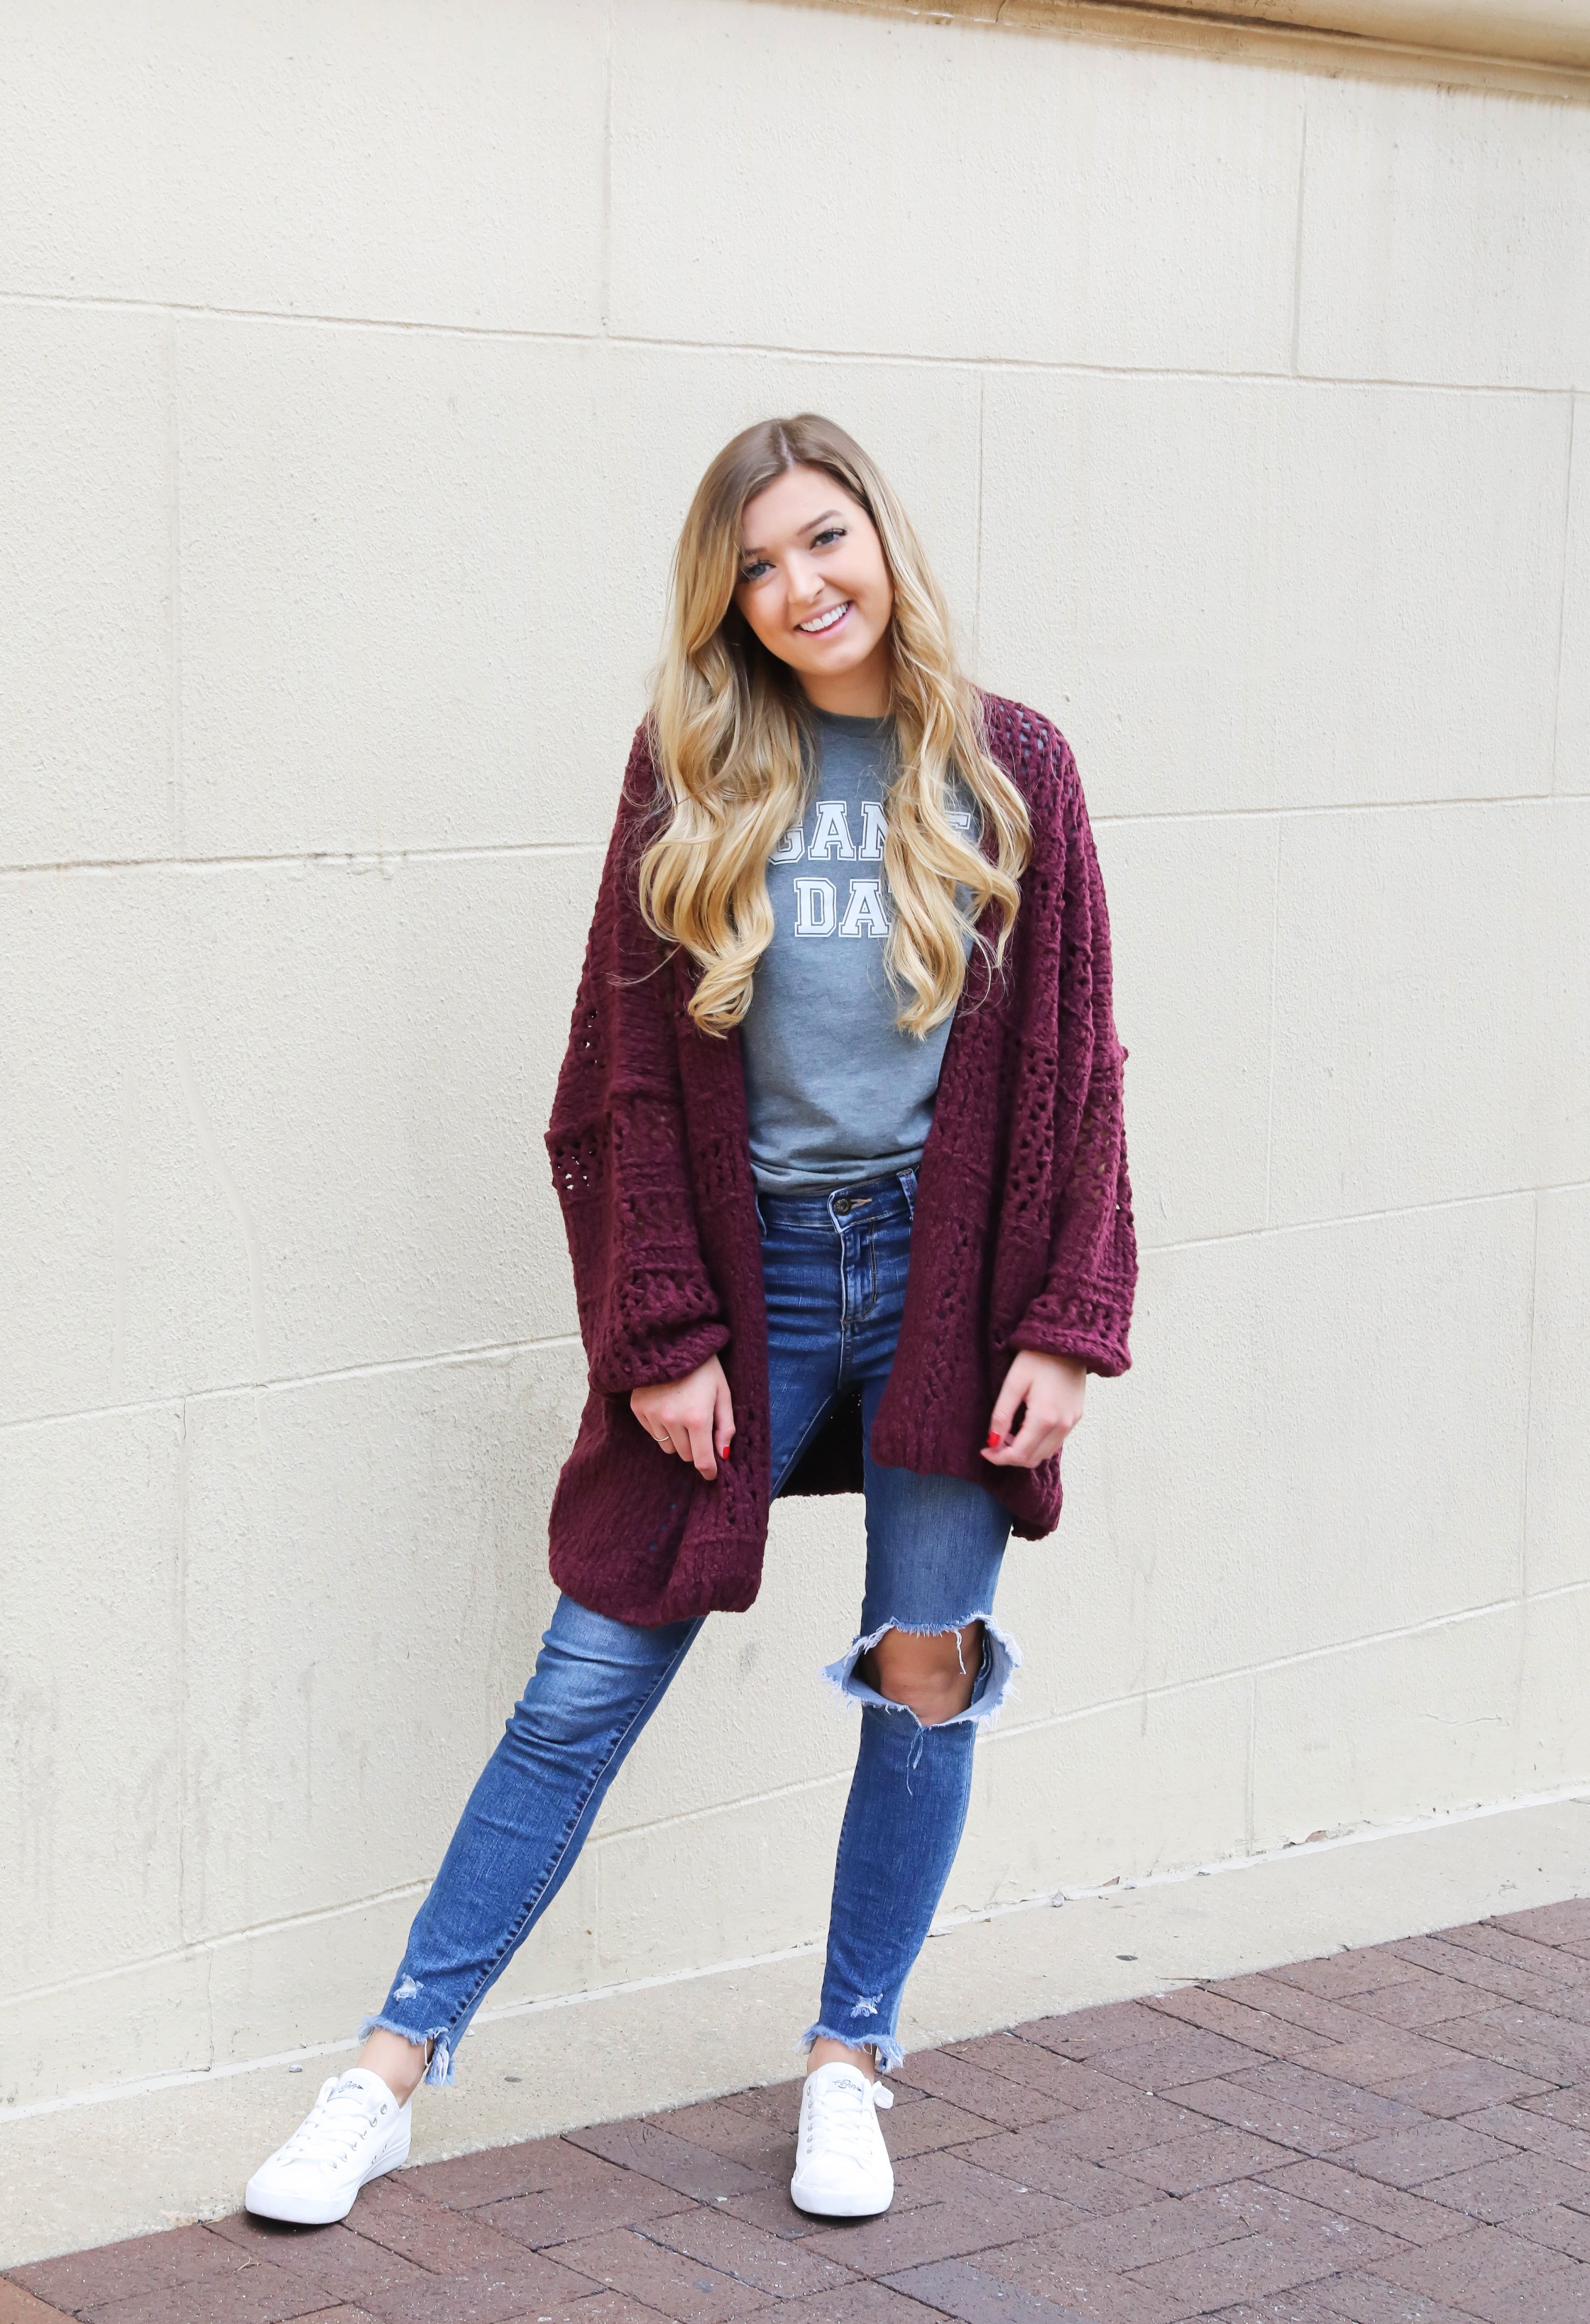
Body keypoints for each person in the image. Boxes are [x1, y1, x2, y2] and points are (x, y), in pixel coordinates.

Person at [243, 414, 1136, 2230]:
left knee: (926, 1669)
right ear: (720, 596)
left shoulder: (1010, 765)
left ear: (881, 539)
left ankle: (846, 2062)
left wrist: (1063, 1319)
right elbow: (618, 1078)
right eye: (754, 564)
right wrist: (658, 1331)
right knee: (585, 1681)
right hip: (760, 1279)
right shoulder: (689, 771)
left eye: (823, 541)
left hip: (950, 1287)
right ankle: (388, 2072)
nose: (797, 587)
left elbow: (1076, 1070)